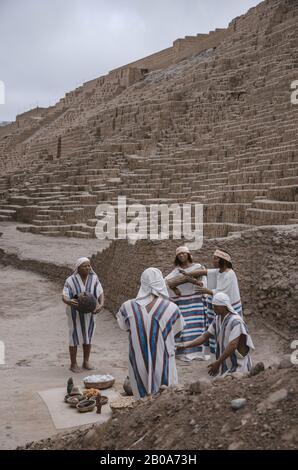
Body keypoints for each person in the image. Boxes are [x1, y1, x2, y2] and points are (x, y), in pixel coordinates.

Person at [116, 267, 185, 399]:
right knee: (165, 397)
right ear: (161, 282)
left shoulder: (127, 307)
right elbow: (177, 333)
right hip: (163, 360)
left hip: (138, 360)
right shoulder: (172, 308)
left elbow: (124, 326)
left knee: (141, 399)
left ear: (142, 282)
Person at [168, 248, 242, 354]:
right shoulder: (219, 271)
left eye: (216, 259)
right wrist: (188, 274)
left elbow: (222, 292)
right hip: (219, 307)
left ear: (223, 260)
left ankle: (233, 352)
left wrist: (206, 291)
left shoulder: (229, 274)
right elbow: (204, 272)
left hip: (230, 308)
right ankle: (220, 351)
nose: (213, 261)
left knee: (231, 330)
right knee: (219, 331)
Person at [177, 292, 254, 376]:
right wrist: (185, 345)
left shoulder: (236, 321)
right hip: (226, 365)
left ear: (223, 306)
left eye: (215, 306)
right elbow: (204, 337)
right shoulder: (217, 319)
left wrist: (218, 362)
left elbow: (233, 345)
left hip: (239, 367)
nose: (213, 308)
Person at [165, 246, 208, 362]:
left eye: (184, 253)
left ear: (188, 255)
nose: (181, 256)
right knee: (185, 328)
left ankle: (198, 352)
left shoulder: (198, 267)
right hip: (183, 303)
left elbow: (203, 282)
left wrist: (201, 287)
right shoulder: (176, 271)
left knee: (198, 326)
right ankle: (185, 352)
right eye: (179, 255)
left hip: (196, 301)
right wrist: (175, 290)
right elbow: (167, 282)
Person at [62, 257, 104, 372]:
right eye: (85, 266)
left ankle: (86, 361)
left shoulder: (94, 278)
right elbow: (64, 295)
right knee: (74, 337)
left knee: (88, 336)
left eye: (89, 265)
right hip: (75, 313)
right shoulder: (70, 280)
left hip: (90, 314)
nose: (88, 268)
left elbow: (100, 292)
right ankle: (73, 364)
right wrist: (68, 301)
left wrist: (101, 304)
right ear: (78, 268)